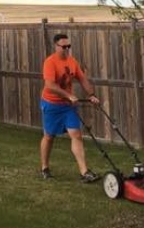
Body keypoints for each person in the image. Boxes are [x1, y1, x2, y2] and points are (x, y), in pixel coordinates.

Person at [40, 33, 100, 182]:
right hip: (51, 104)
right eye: (64, 46)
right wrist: (67, 95)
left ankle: (84, 172)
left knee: (76, 135)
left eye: (69, 46)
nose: (67, 49)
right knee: (49, 136)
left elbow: (82, 79)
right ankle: (45, 168)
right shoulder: (50, 62)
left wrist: (92, 94)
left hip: (68, 106)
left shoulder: (72, 61)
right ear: (56, 46)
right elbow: (50, 85)